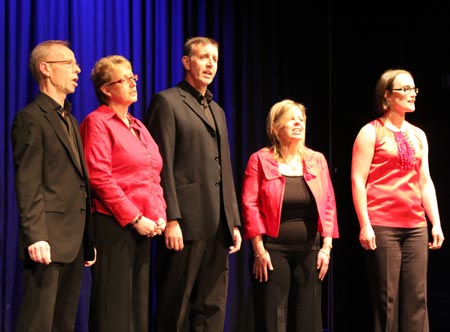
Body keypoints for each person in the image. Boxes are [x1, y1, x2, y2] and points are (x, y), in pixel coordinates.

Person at [145, 36, 242, 332]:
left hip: (217, 224)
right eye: (203, 57)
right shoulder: (168, 101)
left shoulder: (218, 111)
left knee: (212, 305)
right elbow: (159, 165)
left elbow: (224, 168)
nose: (210, 64)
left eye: (214, 58)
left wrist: (233, 221)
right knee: (176, 306)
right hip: (185, 222)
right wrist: (171, 218)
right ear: (186, 62)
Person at [11, 40, 96, 332]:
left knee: (63, 322)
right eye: (69, 63)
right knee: (38, 322)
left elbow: (78, 184)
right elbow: (28, 182)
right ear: (45, 69)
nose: (78, 70)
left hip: (72, 241)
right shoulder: (31, 119)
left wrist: (88, 239)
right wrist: (35, 236)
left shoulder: (70, 120)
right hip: (47, 240)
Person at [351, 68, 445, 332]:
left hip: (415, 225)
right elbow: (358, 181)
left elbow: (425, 181)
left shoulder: (419, 135)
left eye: (413, 88)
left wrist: (435, 222)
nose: (411, 94)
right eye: (404, 89)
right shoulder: (370, 132)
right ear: (387, 96)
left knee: (417, 299)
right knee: (387, 301)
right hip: (383, 225)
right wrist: (365, 224)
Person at [80, 55, 167, 332]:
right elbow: (99, 177)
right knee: (113, 309)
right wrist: (135, 217)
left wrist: (159, 216)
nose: (132, 83)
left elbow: (154, 175)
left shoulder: (138, 125)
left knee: (137, 308)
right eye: (124, 79)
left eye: (133, 77)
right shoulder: (97, 123)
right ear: (106, 89)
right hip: (113, 225)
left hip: (144, 227)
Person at [241, 99, 339, 332]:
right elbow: (250, 204)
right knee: (272, 319)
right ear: (275, 127)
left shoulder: (317, 160)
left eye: (301, 119)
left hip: (310, 250)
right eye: (291, 118)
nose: (298, 123)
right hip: (272, 250)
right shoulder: (260, 159)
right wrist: (259, 250)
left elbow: (328, 205)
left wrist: (326, 247)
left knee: (309, 319)